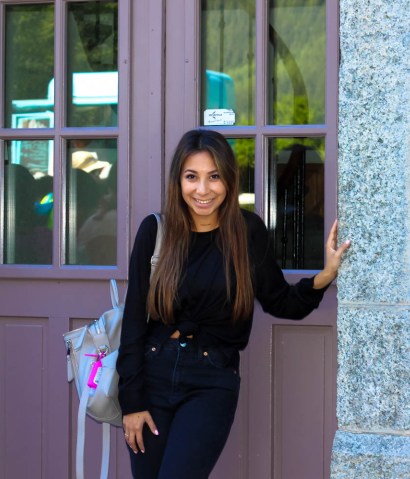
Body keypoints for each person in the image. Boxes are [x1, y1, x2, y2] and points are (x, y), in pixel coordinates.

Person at [116, 129, 350, 478]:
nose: (203, 189)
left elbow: (281, 301)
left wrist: (325, 275)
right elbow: (134, 319)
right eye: (191, 177)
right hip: (153, 376)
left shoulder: (246, 231)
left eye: (214, 177)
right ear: (178, 181)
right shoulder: (155, 230)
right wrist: (132, 401)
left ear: (228, 179)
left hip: (211, 381)